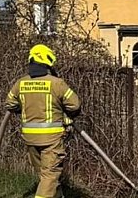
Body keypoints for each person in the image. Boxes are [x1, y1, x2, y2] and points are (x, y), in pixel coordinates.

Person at [5, 44, 81, 198]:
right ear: (48, 61)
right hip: (51, 139)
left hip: (30, 138)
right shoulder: (56, 83)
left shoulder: (21, 83)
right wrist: (63, 114)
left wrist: (25, 108)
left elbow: (10, 104)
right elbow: (75, 105)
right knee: (50, 176)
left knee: (45, 176)